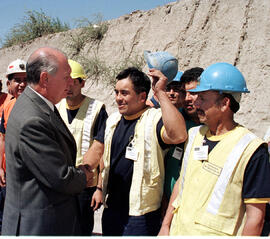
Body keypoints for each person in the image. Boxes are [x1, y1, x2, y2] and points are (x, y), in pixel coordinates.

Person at [159, 62, 270, 236]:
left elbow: (255, 218)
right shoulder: (195, 135)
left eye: (202, 98)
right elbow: (182, 183)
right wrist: (165, 226)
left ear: (225, 103)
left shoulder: (251, 149)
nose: (196, 104)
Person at [2, 47, 93, 236]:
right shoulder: (32, 119)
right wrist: (84, 175)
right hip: (39, 225)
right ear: (45, 79)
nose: (70, 82)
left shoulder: (37, 104)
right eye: (66, 76)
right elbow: (60, 178)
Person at [100, 67, 187, 236]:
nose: (118, 98)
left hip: (141, 213)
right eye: (116, 92)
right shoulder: (113, 120)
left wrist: (160, 92)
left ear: (142, 97)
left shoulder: (154, 120)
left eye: (125, 93)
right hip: (112, 208)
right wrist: (98, 188)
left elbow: (178, 135)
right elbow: (106, 157)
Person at [57, 59, 107, 235]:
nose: (69, 86)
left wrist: (100, 188)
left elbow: (102, 151)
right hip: (61, 182)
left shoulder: (97, 109)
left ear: (82, 83)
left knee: (82, 230)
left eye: (74, 81)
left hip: (85, 185)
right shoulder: (56, 107)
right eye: (65, 81)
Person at [163, 67, 203, 202]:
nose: (187, 98)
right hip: (167, 198)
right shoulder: (175, 120)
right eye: (184, 93)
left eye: (192, 93)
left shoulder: (211, 127)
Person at [0, 59, 27, 233]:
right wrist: (0, 168)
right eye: (17, 80)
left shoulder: (41, 106)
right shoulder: (8, 107)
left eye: (26, 79)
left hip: (27, 178)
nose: (22, 84)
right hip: (9, 175)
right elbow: (2, 138)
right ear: (9, 83)